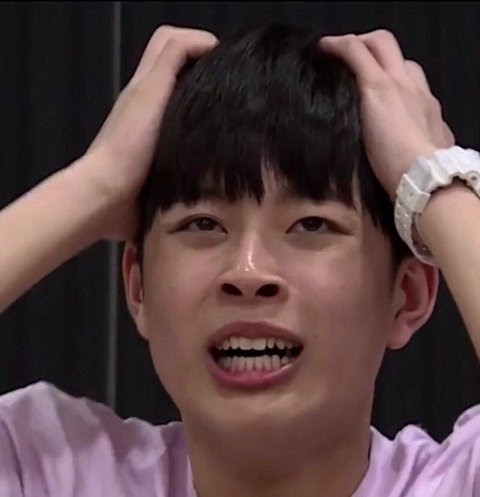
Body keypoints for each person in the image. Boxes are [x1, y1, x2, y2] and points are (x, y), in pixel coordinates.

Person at [0, 22, 479, 497]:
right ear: (137, 286)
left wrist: (433, 179)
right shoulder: (46, 469)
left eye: (312, 225)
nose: (248, 272)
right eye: (203, 224)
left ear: (408, 295)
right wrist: (97, 182)